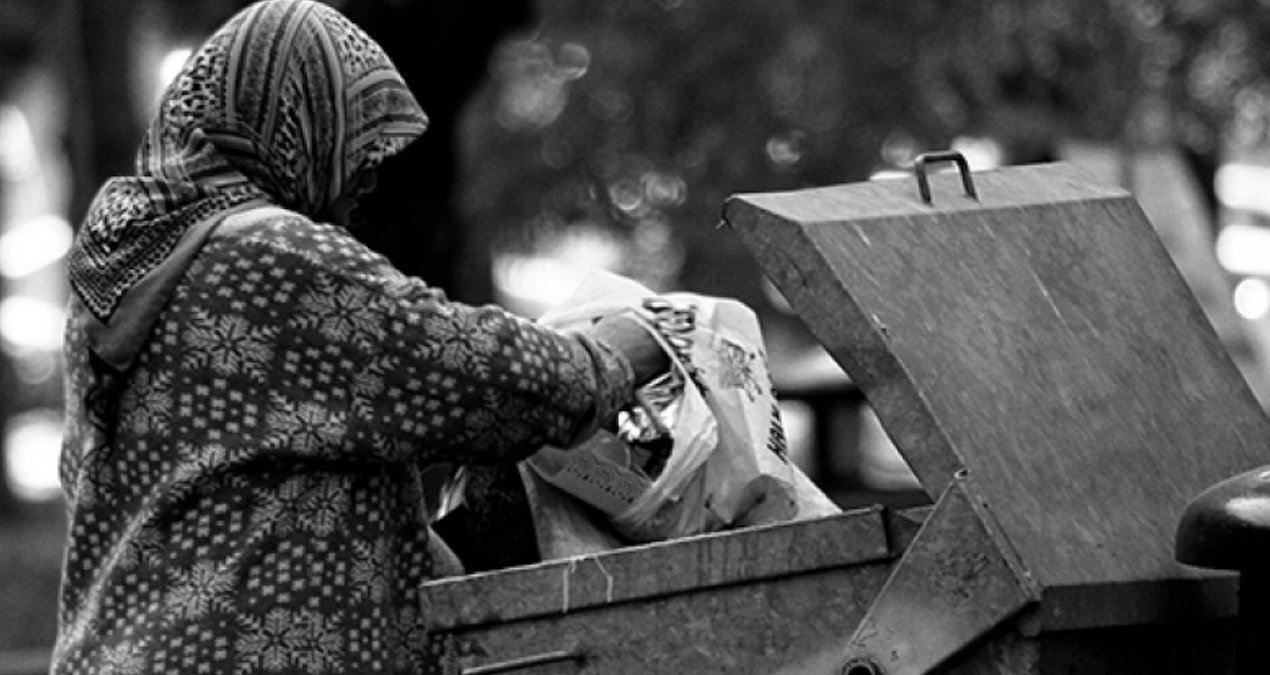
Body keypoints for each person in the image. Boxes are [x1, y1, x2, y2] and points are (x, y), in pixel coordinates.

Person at [52, 1, 667, 673]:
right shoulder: (269, 255)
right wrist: (616, 355)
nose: (369, 177)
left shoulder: (132, 260)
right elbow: (473, 373)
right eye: (354, 142)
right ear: (293, 124)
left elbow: (251, 467)